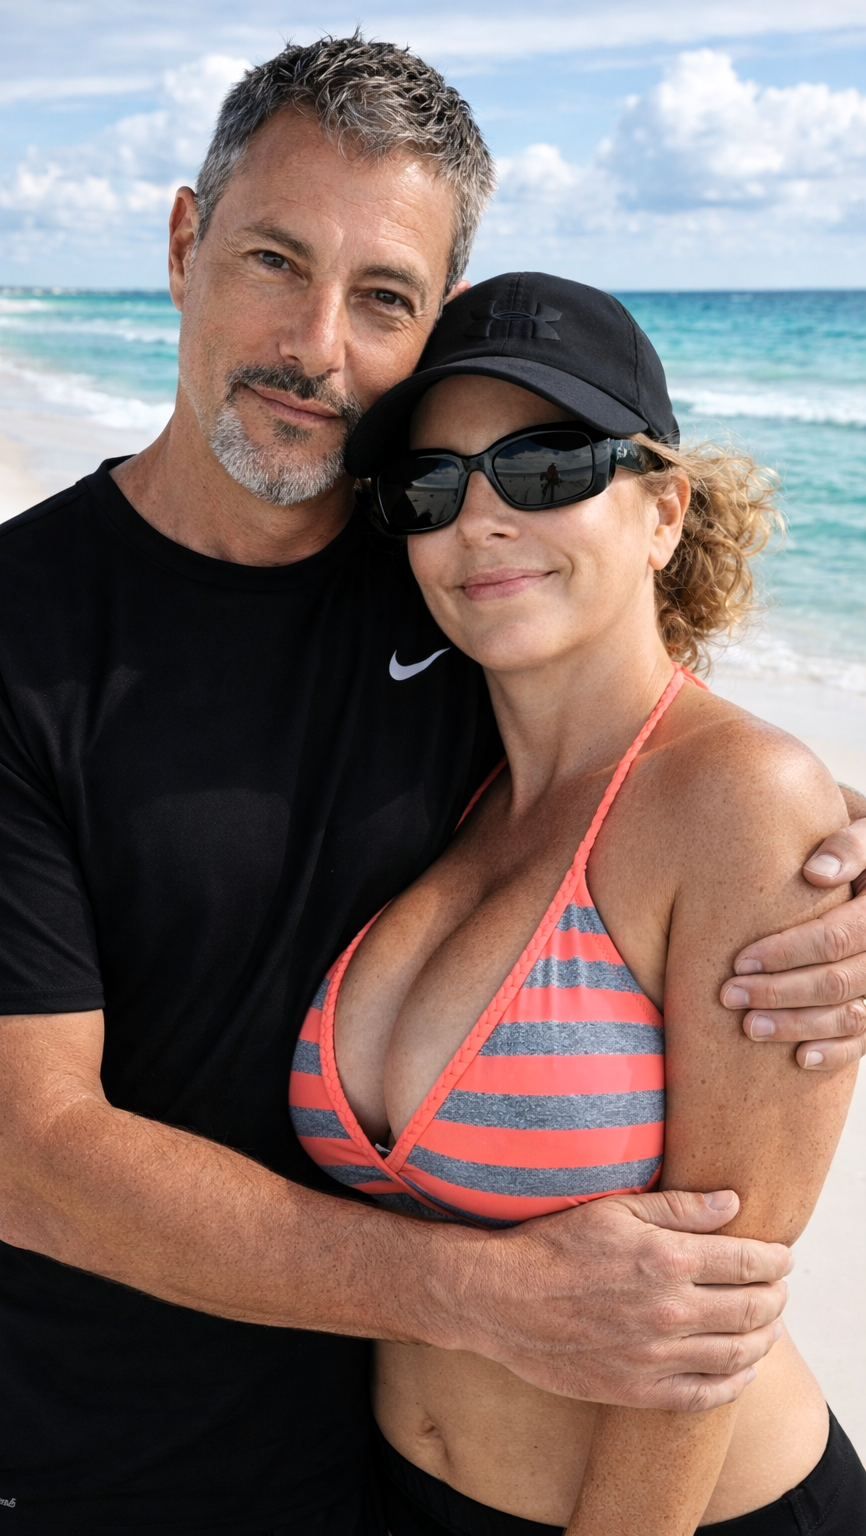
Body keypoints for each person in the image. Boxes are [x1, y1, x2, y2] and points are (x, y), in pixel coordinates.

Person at [0, 35, 866, 1536]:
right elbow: (49, 1162)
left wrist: (826, 862)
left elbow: (654, 749)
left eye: (383, 296)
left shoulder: (451, 589)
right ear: (186, 243)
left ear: (434, 322)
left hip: (367, 1464)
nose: (317, 343)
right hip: (74, 1448)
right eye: (276, 260)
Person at [290, 270, 866, 1533]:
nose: (480, 520)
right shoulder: (442, 793)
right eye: (430, 489)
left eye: (545, 466)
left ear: (663, 511)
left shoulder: (743, 804)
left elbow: (709, 1328)